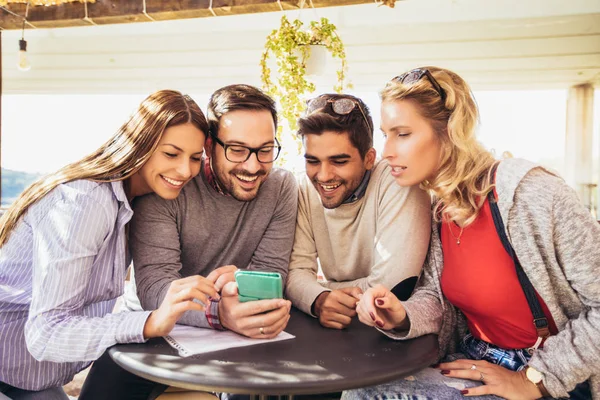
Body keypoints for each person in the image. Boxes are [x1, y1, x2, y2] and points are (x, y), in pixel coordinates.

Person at [342, 67, 599, 399]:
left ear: (450, 131)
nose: (387, 150)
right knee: (360, 391)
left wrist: (533, 379)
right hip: (476, 357)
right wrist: (402, 316)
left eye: (402, 134)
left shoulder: (532, 195)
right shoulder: (440, 208)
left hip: (547, 374)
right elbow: (437, 298)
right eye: (386, 134)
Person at [79, 84, 298, 400]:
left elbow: (273, 271)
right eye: (237, 149)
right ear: (210, 145)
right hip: (150, 336)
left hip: (236, 336)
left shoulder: (281, 187)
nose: (253, 166)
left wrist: (242, 287)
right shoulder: (171, 184)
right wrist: (218, 312)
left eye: (265, 149)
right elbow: (155, 288)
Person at [0, 90, 218, 400]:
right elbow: (46, 334)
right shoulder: (86, 202)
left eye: (195, 158)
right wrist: (149, 322)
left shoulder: (136, 202)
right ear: (139, 145)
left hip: (34, 380)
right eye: (171, 154)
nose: (185, 170)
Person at [285, 93, 431, 329]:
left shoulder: (398, 181)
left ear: (369, 159)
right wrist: (320, 300)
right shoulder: (304, 187)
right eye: (313, 161)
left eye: (339, 162)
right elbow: (295, 271)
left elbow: (392, 287)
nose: (323, 176)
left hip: (398, 331)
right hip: (338, 329)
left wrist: (315, 292)